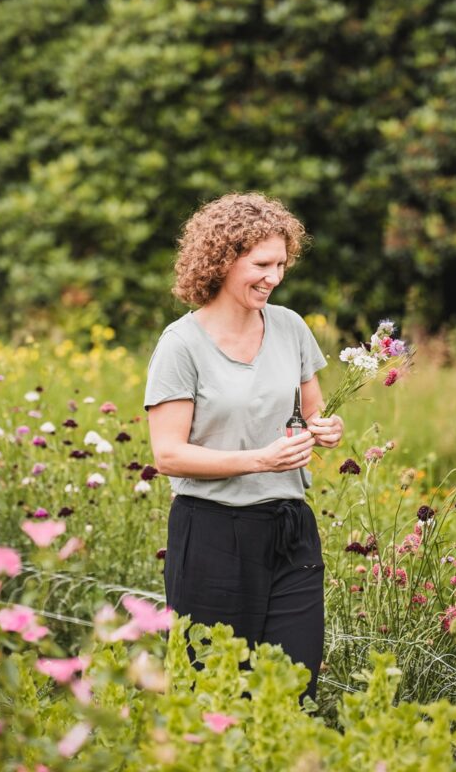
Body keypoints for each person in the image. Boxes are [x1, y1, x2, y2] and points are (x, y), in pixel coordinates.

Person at [144, 192, 343, 703]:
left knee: (291, 694)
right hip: (212, 533)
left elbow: (311, 412)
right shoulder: (180, 344)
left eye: (281, 264)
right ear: (222, 260)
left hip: (291, 531)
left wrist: (325, 429)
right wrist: (258, 459)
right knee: (214, 696)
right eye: (260, 264)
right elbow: (167, 455)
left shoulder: (290, 326)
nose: (273, 277)